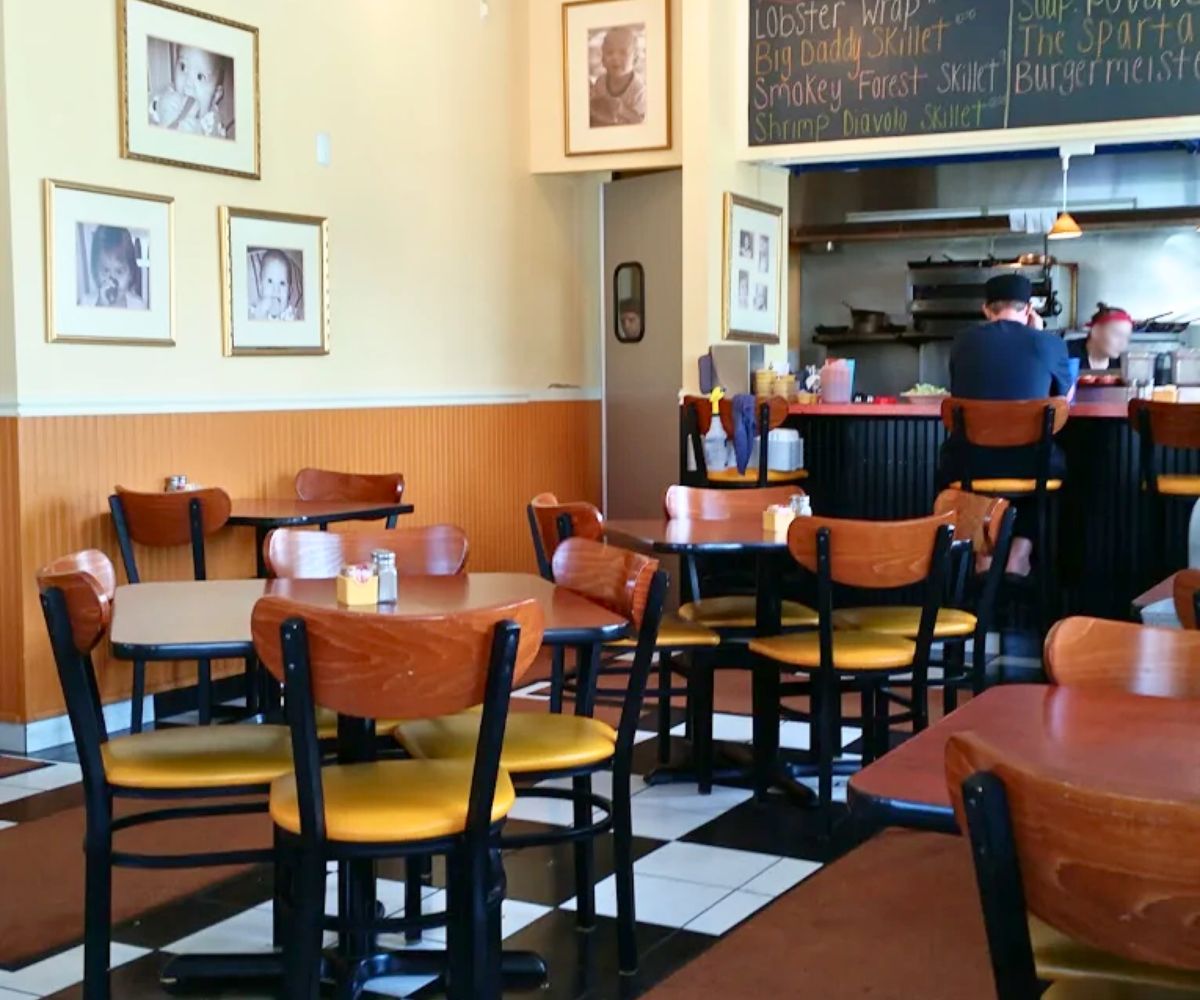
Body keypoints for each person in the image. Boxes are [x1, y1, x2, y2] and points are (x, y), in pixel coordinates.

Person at [941, 274, 1073, 576]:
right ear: (1028, 309)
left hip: (970, 465)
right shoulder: (1049, 343)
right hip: (1031, 465)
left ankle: (982, 551)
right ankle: (1020, 552)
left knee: (962, 464)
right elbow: (1064, 398)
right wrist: (1039, 335)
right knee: (1040, 462)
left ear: (986, 309)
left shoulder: (963, 341)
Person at [589, 27, 646, 127]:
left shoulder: (638, 90)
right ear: (603, 59)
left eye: (623, 52)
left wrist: (623, 110)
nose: (615, 57)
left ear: (635, 59)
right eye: (610, 52)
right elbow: (592, 108)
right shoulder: (600, 82)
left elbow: (641, 122)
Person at [88, 226, 146, 310]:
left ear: (131, 274)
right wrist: (100, 306)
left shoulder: (139, 306)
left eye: (119, 271)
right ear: (96, 272)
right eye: (105, 270)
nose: (112, 280)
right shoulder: (86, 303)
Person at [1068, 303, 1133, 371]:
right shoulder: (1064, 354)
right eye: (1117, 334)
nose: (1123, 343)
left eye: (1126, 337)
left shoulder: (1122, 363)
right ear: (1095, 331)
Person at [251, 250, 299, 321]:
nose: (276, 290)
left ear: (289, 291)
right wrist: (259, 315)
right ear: (261, 288)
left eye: (282, 283)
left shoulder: (290, 315)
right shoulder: (255, 311)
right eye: (270, 281)